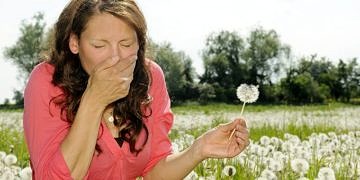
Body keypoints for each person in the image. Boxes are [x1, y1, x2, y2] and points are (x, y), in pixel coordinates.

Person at [23, 0, 250, 179]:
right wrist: (93, 101)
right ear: (75, 43)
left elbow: (155, 171)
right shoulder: (47, 81)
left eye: (126, 44)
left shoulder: (150, 78)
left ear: (139, 44)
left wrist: (198, 150)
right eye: (99, 45)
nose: (115, 57)